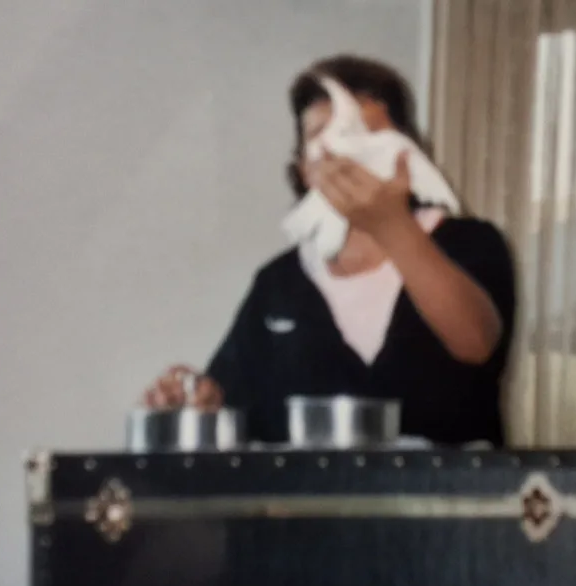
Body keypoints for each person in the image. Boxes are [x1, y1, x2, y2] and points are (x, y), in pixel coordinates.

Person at [143, 54, 516, 446]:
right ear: (304, 168)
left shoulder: (469, 243)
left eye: (364, 132)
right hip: (311, 505)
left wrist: (392, 226)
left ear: (406, 151)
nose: (343, 152)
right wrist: (200, 401)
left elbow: (476, 343)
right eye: (322, 135)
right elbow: (236, 405)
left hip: (446, 501)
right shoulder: (279, 285)